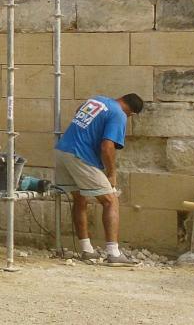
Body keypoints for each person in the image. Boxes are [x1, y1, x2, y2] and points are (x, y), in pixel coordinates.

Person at [54, 92, 144, 265]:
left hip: (62, 151)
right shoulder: (119, 114)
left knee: (80, 200)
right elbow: (107, 146)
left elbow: (78, 110)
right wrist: (111, 172)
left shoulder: (97, 100)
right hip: (80, 155)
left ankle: (87, 250)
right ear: (131, 113)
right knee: (110, 200)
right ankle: (113, 253)